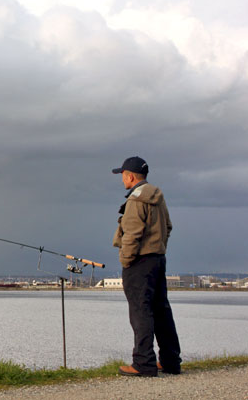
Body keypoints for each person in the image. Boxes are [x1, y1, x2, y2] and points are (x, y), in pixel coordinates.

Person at [111, 156, 181, 377]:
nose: (122, 179)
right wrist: (158, 247)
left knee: (141, 311)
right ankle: (170, 361)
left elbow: (132, 234)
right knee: (161, 310)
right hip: (158, 259)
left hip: (139, 263)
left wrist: (125, 260)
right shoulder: (157, 197)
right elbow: (168, 226)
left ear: (130, 176)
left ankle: (144, 363)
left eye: (122, 175)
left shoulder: (135, 200)